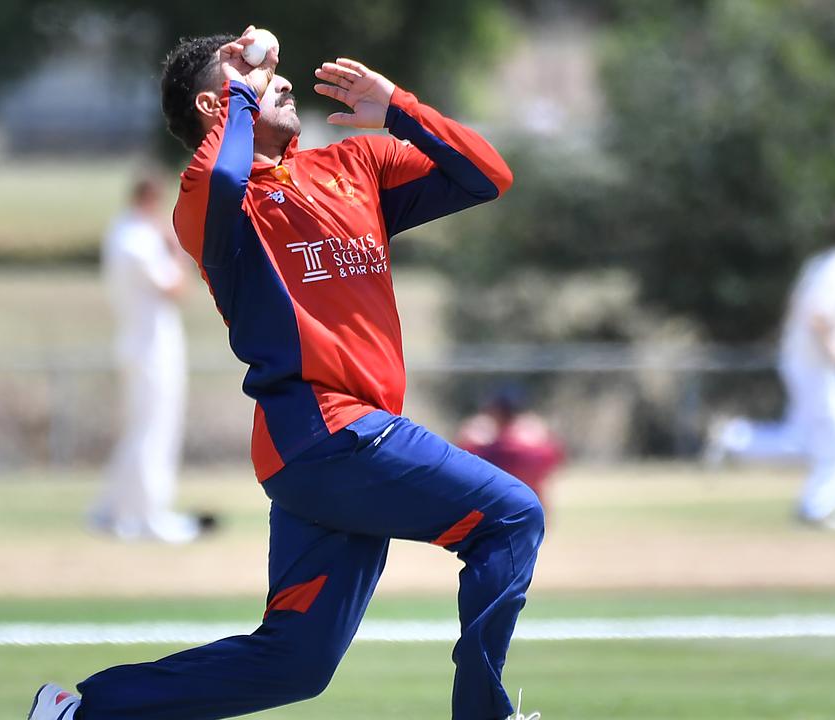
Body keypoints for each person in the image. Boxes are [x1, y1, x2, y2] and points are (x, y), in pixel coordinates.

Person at [28, 26, 543, 720]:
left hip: (333, 450)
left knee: (295, 664)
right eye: (250, 73)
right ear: (220, 107)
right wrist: (244, 85)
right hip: (326, 433)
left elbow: (487, 174)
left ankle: (82, 712)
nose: (280, 76)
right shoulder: (215, 202)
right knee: (511, 517)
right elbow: (221, 173)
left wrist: (397, 106)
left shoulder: (352, 168)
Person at [705, 203, 835, 531]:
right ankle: (815, 507)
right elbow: (818, 313)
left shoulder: (824, 262)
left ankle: (735, 440)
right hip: (817, 363)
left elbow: (801, 306)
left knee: (805, 438)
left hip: (802, 358)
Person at [89, 172, 210, 544]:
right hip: (150, 347)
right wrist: (176, 247)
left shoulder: (121, 231)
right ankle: (146, 514)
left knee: (141, 428)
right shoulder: (138, 239)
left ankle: (113, 509)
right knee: (154, 430)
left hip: (139, 342)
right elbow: (176, 287)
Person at [457, 387, 565, 510]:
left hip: (500, 513)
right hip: (534, 510)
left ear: (496, 412)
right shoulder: (540, 445)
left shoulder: (493, 448)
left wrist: (470, 437)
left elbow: (464, 463)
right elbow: (556, 460)